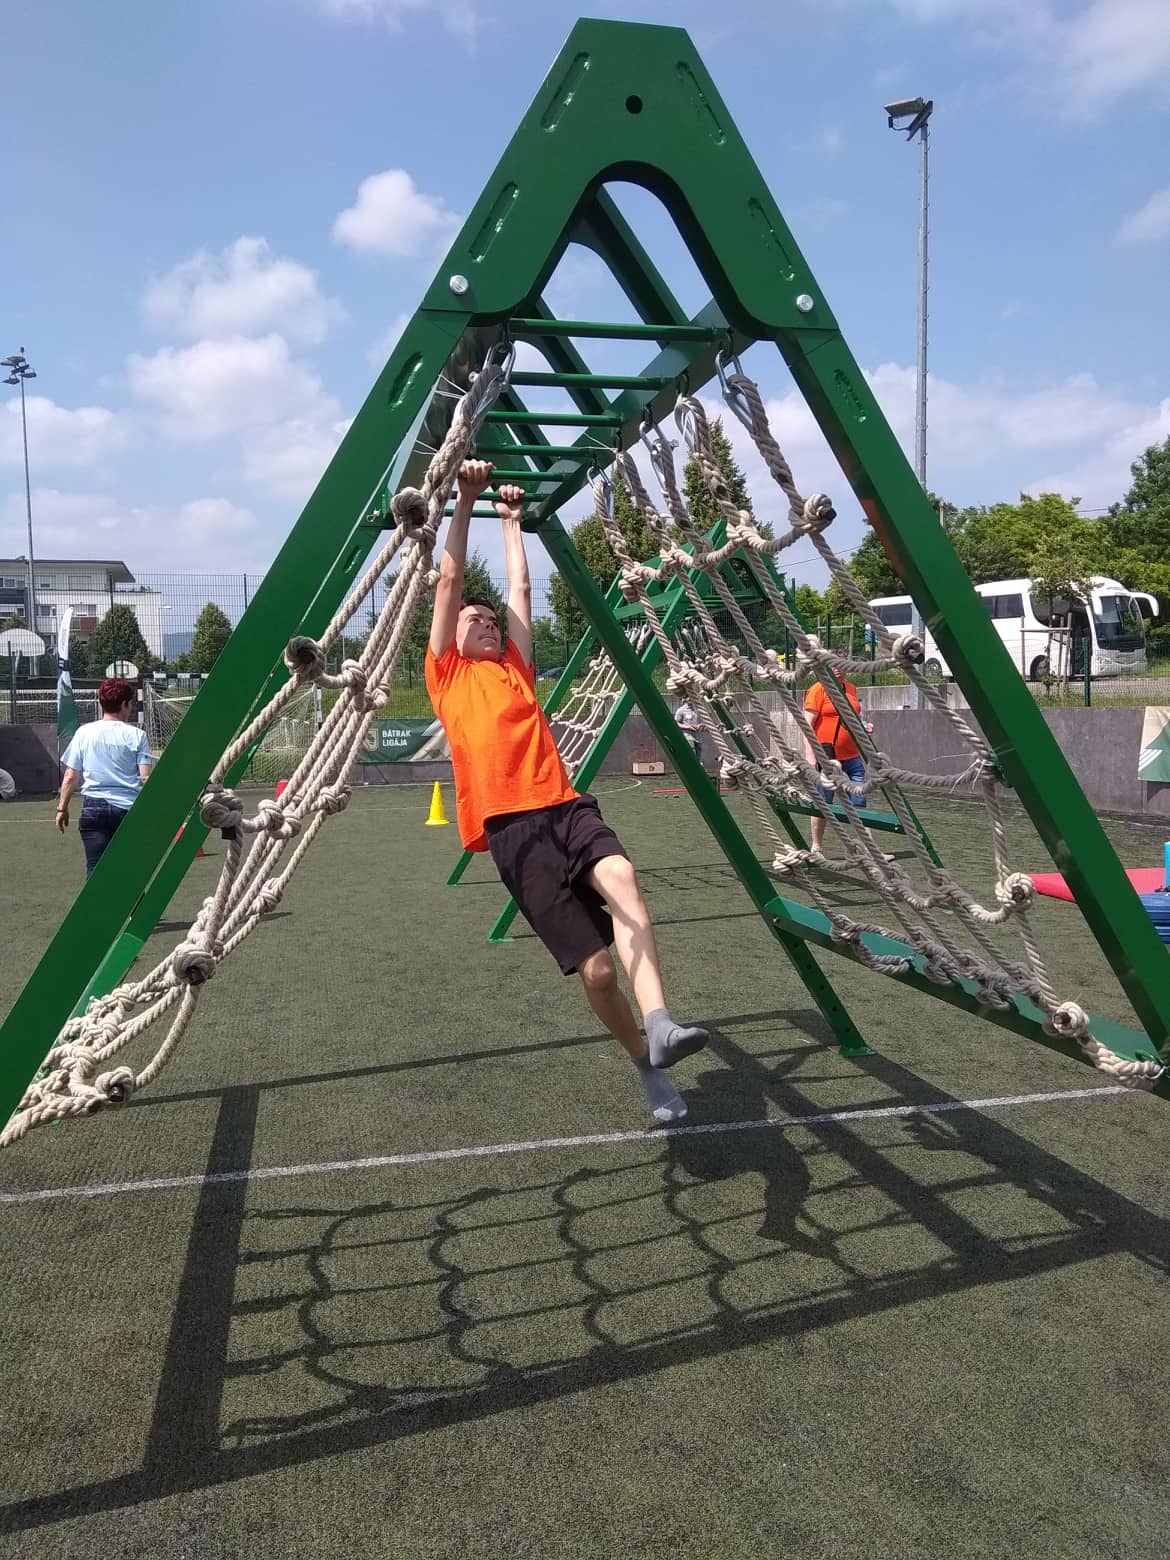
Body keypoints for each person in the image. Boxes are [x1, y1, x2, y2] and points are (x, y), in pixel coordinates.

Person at [425, 459, 709, 1124]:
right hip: (513, 833)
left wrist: (513, 520)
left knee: (624, 877)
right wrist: (466, 500)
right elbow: (448, 582)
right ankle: (645, 1062)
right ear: (453, 634)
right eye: (475, 619)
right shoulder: (447, 675)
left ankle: (661, 1022)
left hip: (563, 802)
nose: (487, 622)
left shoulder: (516, 669)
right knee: (598, 972)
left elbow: (521, 588)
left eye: (492, 620)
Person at [800, 644, 892, 860]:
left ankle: (868, 849)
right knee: (824, 802)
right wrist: (810, 755)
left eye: (840, 664)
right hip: (827, 758)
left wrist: (863, 727)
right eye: (832, 664)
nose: (837, 668)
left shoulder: (851, 689)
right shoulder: (818, 689)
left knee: (859, 802)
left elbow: (852, 718)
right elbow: (806, 724)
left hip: (852, 756)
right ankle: (816, 847)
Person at [56, 677, 153, 874]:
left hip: (94, 809)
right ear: (125, 704)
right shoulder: (137, 735)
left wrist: (62, 808)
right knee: (129, 873)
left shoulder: (84, 732)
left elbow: (70, 776)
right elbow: (145, 779)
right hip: (127, 809)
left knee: (95, 873)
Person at [674, 699, 702, 764]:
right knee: (692, 755)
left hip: (697, 737)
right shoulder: (681, 710)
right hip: (687, 736)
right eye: (688, 698)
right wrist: (687, 727)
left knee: (698, 755)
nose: (689, 699)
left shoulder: (698, 710)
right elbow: (675, 723)